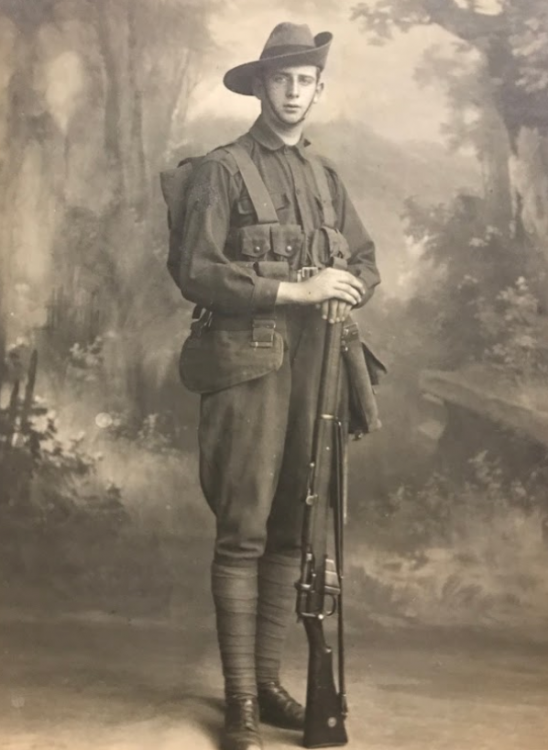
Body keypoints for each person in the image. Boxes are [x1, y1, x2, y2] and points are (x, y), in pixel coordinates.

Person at [177, 22, 380, 750]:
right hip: (244, 367)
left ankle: (267, 683)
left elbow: (364, 261)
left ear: (318, 90)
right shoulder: (222, 170)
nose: (294, 93)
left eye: (306, 82)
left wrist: (346, 290)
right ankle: (238, 706)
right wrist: (295, 291)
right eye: (282, 79)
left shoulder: (327, 179)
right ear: (260, 86)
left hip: (319, 368)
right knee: (243, 534)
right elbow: (195, 271)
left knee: (295, 531)